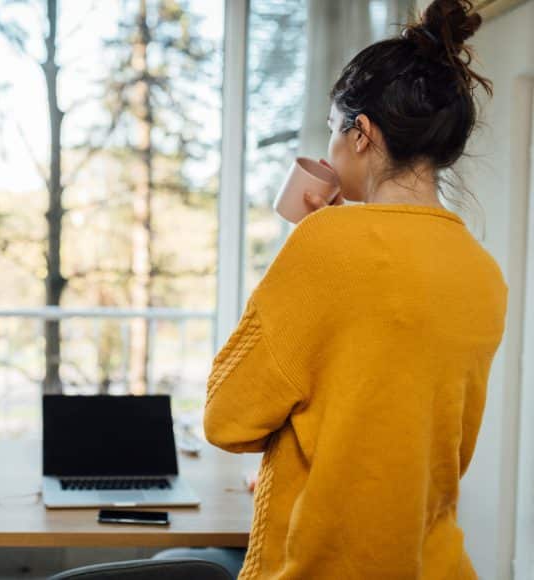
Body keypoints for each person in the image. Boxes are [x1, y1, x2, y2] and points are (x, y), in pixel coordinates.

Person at [200, 0, 506, 577]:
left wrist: (313, 240)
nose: (330, 148)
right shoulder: (481, 270)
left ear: (360, 133)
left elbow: (227, 418)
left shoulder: (325, 247)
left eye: (330, 129)